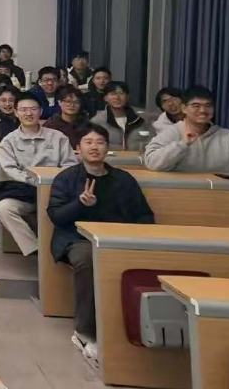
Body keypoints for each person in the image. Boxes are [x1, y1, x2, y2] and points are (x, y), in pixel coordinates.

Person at [47, 124, 153, 367]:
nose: (94, 147)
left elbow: (144, 215)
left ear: (107, 148)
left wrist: (142, 238)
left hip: (119, 239)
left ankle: (129, 330)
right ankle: (85, 332)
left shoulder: (124, 180)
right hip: (77, 239)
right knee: (88, 260)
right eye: (88, 142)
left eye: (100, 142)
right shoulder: (66, 178)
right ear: (78, 148)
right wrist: (80, 204)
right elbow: (56, 216)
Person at [0, 93, 78, 256]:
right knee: (4, 208)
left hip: (57, 193)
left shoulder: (58, 137)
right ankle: (36, 250)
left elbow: (70, 166)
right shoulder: (8, 141)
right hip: (27, 193)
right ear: (16, 112)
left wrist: (52, 183)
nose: (29, 113)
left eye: (33, 109)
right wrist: (34, 182)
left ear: (40, 111)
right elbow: (10, 169)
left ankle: (67, 247)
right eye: (23, 110)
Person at [142, 86, 229, 182]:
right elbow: (153, 162)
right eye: (196, 105)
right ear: (184, 108)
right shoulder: (171, 133)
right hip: (179, 197)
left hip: (219, 198)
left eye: (208, 105)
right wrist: (182, 145)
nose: (203, 110)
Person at [89, 81, 154, 151]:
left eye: (121, 93)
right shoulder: (97, 121)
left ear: (128, 96)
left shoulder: (141, 119)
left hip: (139, 157)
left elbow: (152, 141)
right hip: (110, 157)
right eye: (113, 94)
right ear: (105, 98)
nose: (117, 97)